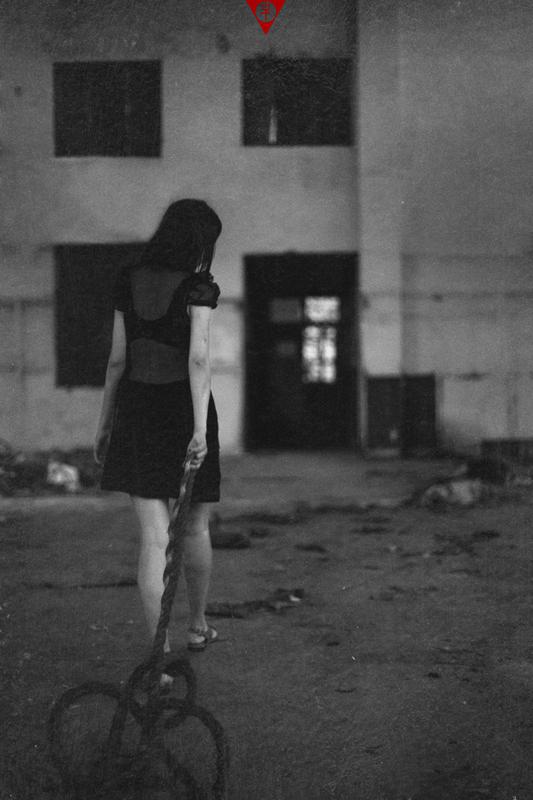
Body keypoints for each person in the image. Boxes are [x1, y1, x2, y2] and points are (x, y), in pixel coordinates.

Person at [94, 198, 222, 656]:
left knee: (154, 537)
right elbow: (198, 359)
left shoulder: (128, 279)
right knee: (195, 525)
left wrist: (105, 423)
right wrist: (200, 430)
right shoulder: (198, 287)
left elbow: (117, 360)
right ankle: (198, 626)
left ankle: (158, 655)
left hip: (137, 409)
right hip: (185, 409)